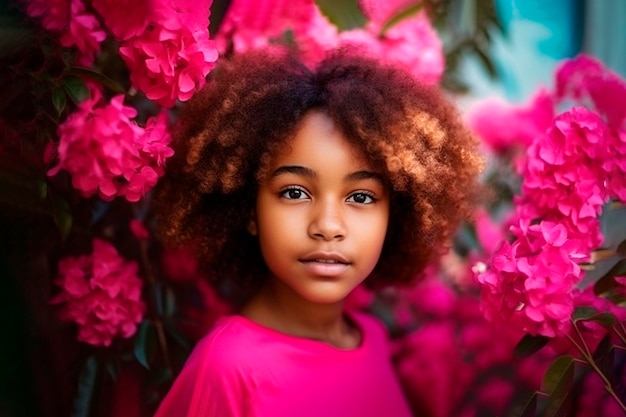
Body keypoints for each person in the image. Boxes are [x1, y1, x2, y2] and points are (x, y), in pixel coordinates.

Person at [152, 47, 483, 417]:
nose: (327, 226)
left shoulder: (370, 339)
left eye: (360, 196)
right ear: (249, 208)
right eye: (294, 192)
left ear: (396, 214)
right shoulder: (229, 369)